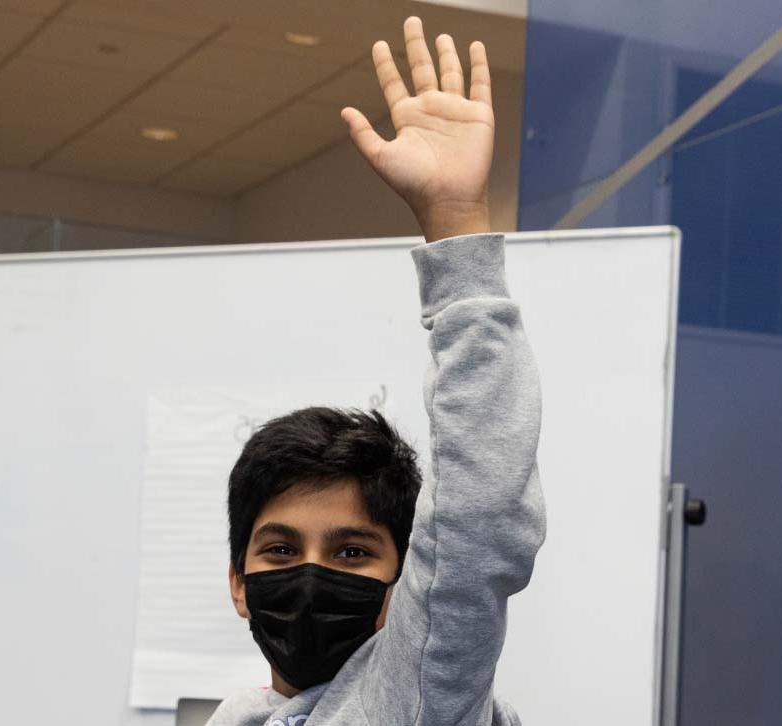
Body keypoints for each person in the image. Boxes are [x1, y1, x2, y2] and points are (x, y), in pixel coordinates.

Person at [208, 16, 545, 726]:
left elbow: (478, 520)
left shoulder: (415, 702)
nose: (309, 576)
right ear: (239, 584)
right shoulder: (246, 717)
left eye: (353, 551)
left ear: (402, 581)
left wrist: (454, 220)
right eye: (279, 549)